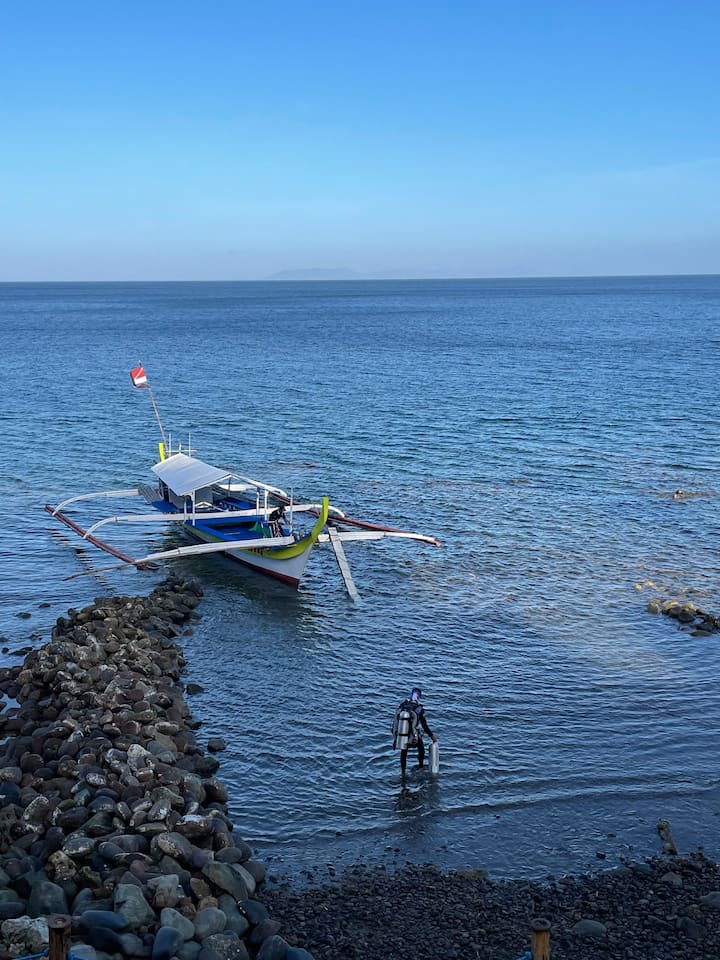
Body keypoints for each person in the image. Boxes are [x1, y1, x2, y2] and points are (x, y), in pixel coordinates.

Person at [393, 687, 437, 777]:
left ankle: (403, 772)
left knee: (403, 752)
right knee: (421, 749)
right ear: (419, 697)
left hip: (402, 735)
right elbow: (424, 725)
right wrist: (432, 736)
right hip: (413, 737)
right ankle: (421, 767)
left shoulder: (403, 705)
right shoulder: (419, 709)